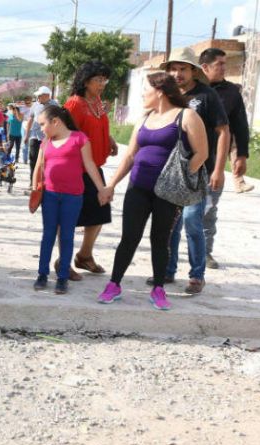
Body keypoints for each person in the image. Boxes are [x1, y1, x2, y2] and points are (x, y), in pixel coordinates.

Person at [97, 73, 208, 310]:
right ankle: (114, 284)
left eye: (145, 90)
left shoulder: (186, 115)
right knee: (129, 238)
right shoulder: (144, 118)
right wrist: (111, 185)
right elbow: (129, 156)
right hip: (137, 187)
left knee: (160, 240)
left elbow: (202, 153)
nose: (142, 95)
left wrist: (178, 178)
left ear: (159, 91)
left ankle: (158, 288)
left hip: (167, 193)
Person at [161, 48, 230, 294]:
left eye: (183, 69)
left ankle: (196, 275)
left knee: (192, 221)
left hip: (199, 170)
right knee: (170, 223)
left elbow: (223, 131)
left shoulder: (206, 95)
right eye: (173, 69)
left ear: (193, 71)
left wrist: (219, 169)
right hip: (170, 171)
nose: (177, 73)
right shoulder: (166, 95)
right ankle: (167, 271)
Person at [32, 105, 109, 294]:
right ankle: (42, 274)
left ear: (56, 121)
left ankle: (62, 277)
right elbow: (39, 167)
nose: (41, 128)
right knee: (48, 235)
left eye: (43, 124)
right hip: (49, 195)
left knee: (67, 236)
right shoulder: (46, 142)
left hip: (72, 197)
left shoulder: (79, 139)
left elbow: (90, 165)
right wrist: (35, 189)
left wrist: (102, 189)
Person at [62, 61, 118, 280]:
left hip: (94, 168)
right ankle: (63, 262)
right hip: (76, 169)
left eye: (105, 79)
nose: (102, 84)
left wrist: (109, 139)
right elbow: (64, 134)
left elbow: (98, 126)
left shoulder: (96, 102)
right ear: (86, 81)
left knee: (99, 214)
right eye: (98, 80)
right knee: (69, 218)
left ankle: (84, 255)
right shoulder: (74, 104)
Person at [200, 47, 254, 269]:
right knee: (172, 211)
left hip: (215, 160)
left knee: (209, 208)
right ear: (204, 67)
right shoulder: (191, 88)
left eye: (224, 63)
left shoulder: (231, 92)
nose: (224, 67)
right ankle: (167, 253)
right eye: (219, 64)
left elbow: (240, 124)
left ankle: (204, 252)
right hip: (184, 159)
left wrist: (241, 155)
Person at [24, 86, 58, 184]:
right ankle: (33, 182)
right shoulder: (35, 105)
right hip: (35, 135)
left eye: (40, 95)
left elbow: (59, 121)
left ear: (47, 96)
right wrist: (27, 135)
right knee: (33, 159)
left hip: (48, 138)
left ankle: (45, 182)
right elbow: (30, 119)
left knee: (47, 161)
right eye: (38, 96)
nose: (38, 97)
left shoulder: (54, 105)